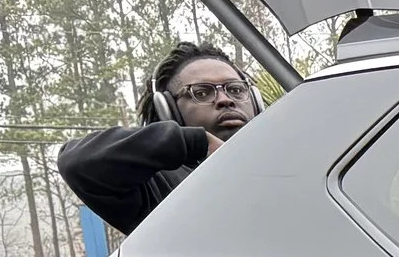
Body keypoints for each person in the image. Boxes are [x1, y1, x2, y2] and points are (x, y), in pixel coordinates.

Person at [58, 43, 258, 236]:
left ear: (256, 100)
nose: (225, 100)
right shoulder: (158, 184)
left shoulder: (283, 164)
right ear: (168, 109)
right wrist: (195, 142)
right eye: (202, 92)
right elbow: (77, 162)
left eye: (235, 89)